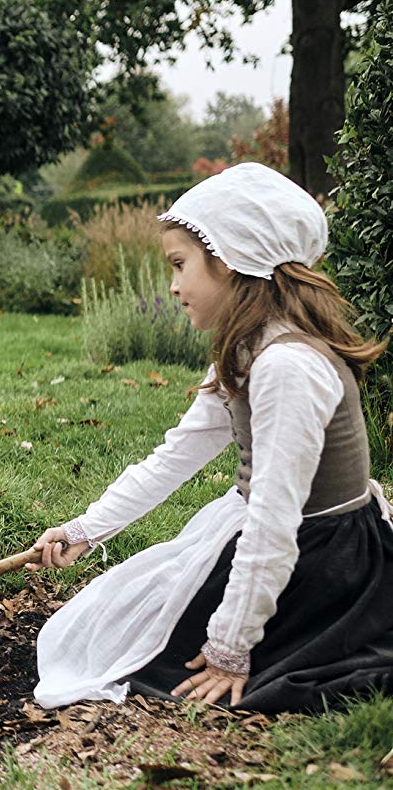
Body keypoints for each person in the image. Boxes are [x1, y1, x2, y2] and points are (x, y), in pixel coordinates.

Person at [28, 162, 392, 712]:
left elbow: (274, 521)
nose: (172, 286)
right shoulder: (247, 349)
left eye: (179, 265)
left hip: (321, 560)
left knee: (155, 664)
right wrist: (87, 530)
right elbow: (175, 457)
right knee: (97, 629)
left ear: (229, 261)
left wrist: (230, 647)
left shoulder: (288, 367)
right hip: (279, 537)